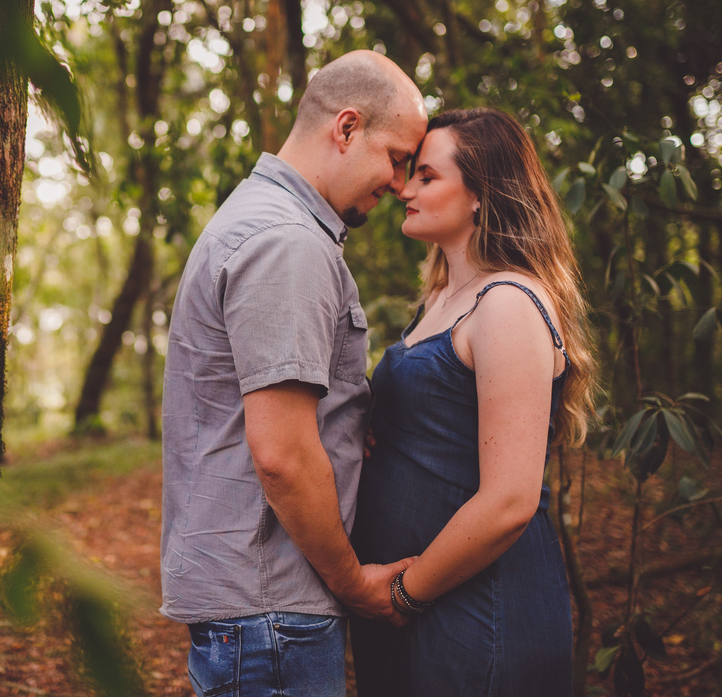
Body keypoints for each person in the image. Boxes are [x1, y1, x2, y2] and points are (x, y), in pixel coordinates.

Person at [159, 50, 428, 697]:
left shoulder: (259, 219)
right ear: (345, 128)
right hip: (273, 609)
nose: (399, 184)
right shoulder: (288, 242)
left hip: (256, 608)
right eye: (396, 157)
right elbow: (281, 454)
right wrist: (354, 581)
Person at [350, 107, 598, 695]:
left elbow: (510, 500)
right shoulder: (443, 295)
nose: (405, 189)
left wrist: (406, 595)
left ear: (482, 193)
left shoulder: (508, 302)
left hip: (475, 609)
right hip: (412, 606)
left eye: (428, 177)